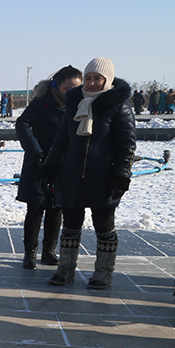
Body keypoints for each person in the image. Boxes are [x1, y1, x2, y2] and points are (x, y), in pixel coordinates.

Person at [41, 57, 136, 289]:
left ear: (108, 80)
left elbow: (127, 144)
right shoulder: (74, 103)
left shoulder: (118, 107)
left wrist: (121, 173)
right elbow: (61, 140)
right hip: (71, 176)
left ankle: (103, 274)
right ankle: (65, 270)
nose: (92, 83)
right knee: (71, 226)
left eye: (98, 78)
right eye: (89, 78)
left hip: (103, 177)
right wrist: (50, 168)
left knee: (104, 227)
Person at [15, 65, 83, 269]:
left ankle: (49, 251)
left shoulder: (79, 105)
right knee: (36, 208)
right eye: (67, 89)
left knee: (56, 208)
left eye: (76, 89)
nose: (71, 93)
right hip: (39, 163)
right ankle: (30, 253)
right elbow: (22, 124)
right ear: (56, 85)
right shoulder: (42, 101)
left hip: (62, 165)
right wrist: (35, 151)